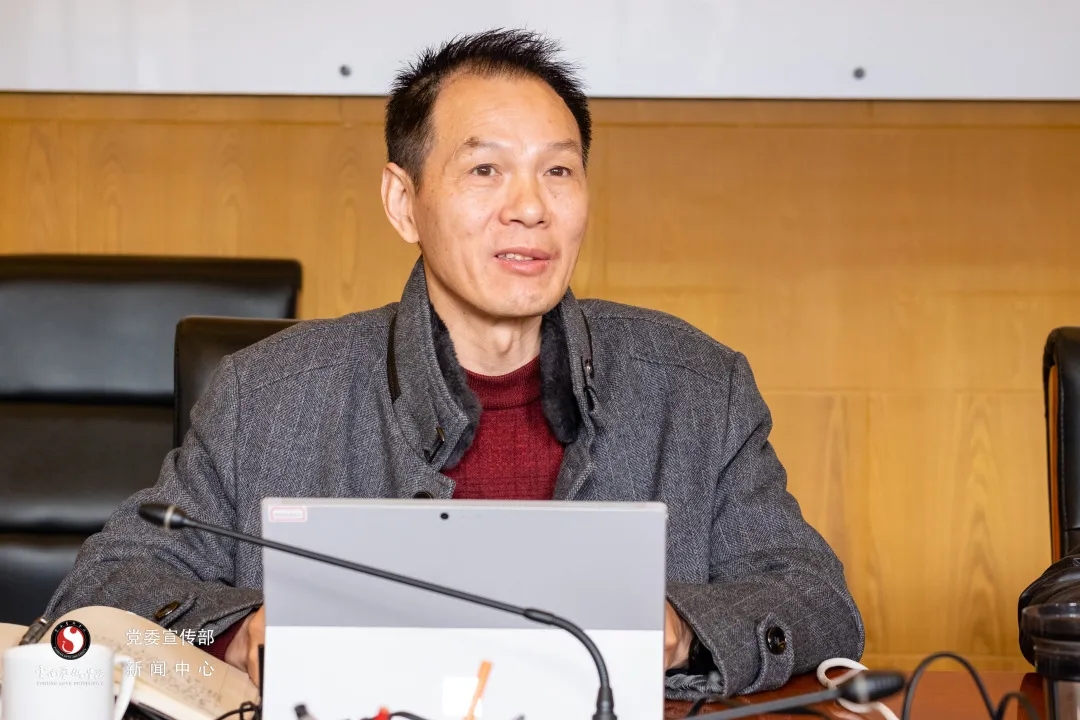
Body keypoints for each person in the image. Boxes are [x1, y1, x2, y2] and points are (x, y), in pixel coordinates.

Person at [46, 28, 864, 699]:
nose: (530, 208)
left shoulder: (697, 388)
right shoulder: (267, 397)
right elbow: (99, 593)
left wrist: (682, 631)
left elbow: (818, 602)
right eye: (484, 170)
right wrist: (239, 632)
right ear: (404, 202)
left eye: (558, 170)